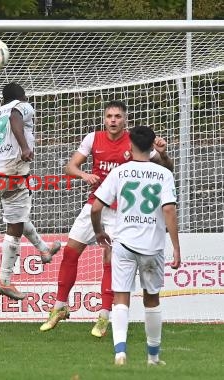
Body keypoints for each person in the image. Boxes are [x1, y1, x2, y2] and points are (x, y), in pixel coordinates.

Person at [40, 100, 174, 337]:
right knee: (71, 252)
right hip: (95, 204)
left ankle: (103, 316)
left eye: (118, 116)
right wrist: (84, 174)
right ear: (104, 119)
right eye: (109, 116)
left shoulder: (134, 141)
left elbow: (166, 168)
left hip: (121, 212)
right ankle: (60, 306)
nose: (113, 120)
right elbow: (70, 166)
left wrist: (163, 154)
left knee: (111, 260)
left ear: (125, 120)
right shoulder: (93, 138)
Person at [90, 125, 181, 366]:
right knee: (151, 299)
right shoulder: (164, 174)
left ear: (129, 145)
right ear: (153, 147)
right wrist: (176, 248)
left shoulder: (120, 172)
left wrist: (99, 232)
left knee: (121, 297)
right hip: (151, 247)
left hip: (124, 245)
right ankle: (153, 358)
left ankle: (120, 352)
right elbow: (169, 209)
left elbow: (97, 206)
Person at [0, 82, 62, 301]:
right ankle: (4, 281)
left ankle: (44, 249)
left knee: (17, 218)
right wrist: (24, 147)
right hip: (13, 174)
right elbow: (15, 117)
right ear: (22, 97)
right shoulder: (22, 106)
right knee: (14, 227)